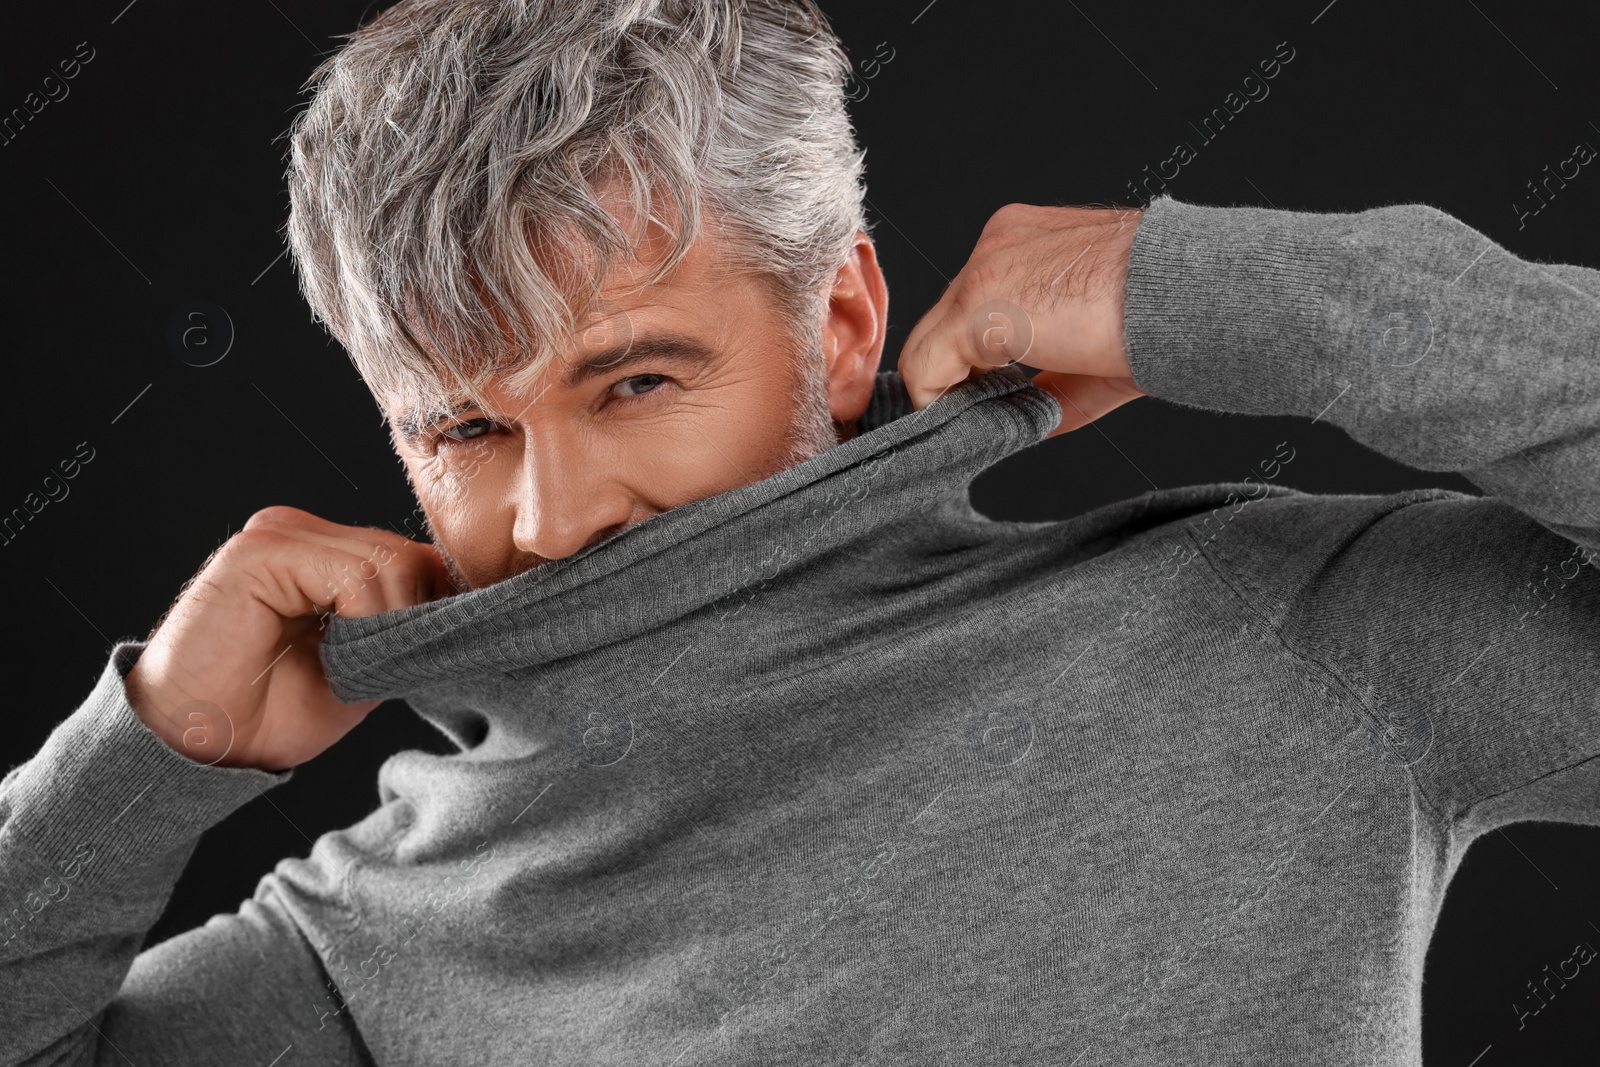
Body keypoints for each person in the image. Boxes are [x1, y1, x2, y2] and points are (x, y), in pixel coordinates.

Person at [3, 0, 1596, 1063]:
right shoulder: (368, 940)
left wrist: (1290, 307)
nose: (554, 522)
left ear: (837, 323)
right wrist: (141, 758)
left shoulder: (1303, 635)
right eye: (468, 431)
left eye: (633, 380)